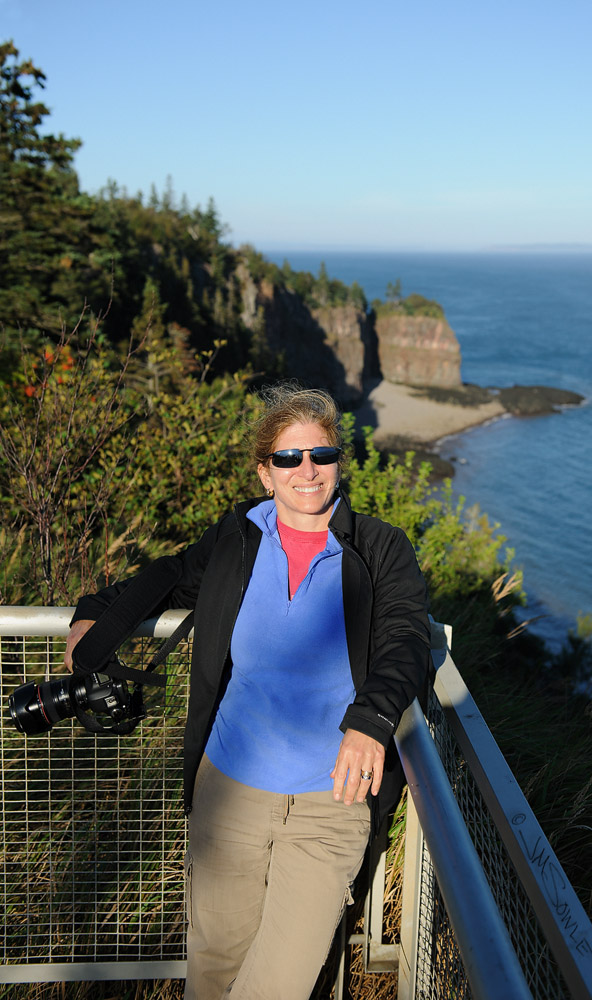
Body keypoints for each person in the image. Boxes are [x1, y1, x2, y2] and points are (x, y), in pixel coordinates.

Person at [65, 385, 432, 1000]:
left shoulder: (378, 547)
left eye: (322, 454)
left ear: (340, 460)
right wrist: (95, 616)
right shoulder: (239, 538)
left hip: (329, 804)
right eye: (289, 459)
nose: (307, 471)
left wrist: (370, 718)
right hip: (227, 790)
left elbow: (405, 637)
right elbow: (171, 576)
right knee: (212, 971)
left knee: (278, 985)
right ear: (266, 471)